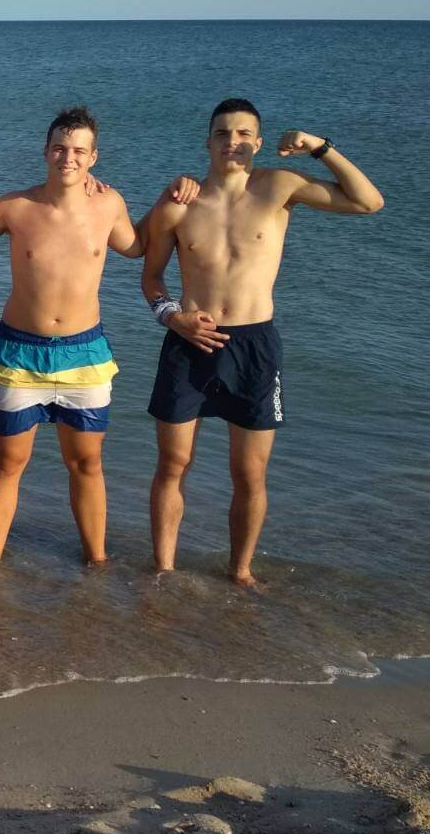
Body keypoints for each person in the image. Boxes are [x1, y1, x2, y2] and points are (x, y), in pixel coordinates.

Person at [142, 99, 383, 585]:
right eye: (222, 133)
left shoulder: (279, 187)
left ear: (258, 141)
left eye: (243, 134)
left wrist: (320, 147)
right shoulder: (179, 203)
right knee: (173, 463)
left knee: (249, 472)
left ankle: (241, 573)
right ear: (207, 141)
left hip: (254, 345)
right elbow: (151, 278)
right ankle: (164, 572)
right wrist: (172, 317)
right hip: (189, 341)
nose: (232, 142)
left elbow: (367, 202)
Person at [0, 106, 194, 565]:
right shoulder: (15, 207)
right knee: (7, 462)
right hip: (20, 352)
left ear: (93, 157)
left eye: (79, 151)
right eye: (60, 148)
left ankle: (96, 562)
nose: (69, 158)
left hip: (85, 353)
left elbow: (137, 246)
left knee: (86, 463)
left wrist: (170, 195)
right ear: (46, 151)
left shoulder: (108, 204)